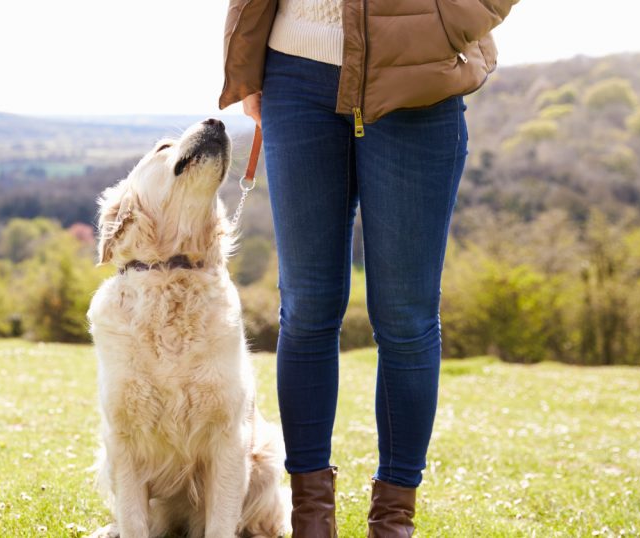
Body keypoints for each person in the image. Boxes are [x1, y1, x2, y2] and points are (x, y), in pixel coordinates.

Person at [219, 0, 516, 536]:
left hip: (418, 76)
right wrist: (246, 61)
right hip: (295, 71)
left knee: (406, 319)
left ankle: (393, 521)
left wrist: (446, 25)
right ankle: (312, 517)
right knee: (306, 308)